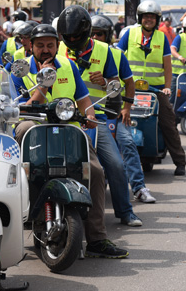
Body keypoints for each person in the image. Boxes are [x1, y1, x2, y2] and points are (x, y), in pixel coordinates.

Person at [12, 24, 129, 258]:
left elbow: (84, 99)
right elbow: (19, 106)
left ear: (57, 46)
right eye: (40, 45)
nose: (46, 50)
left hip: (68, 127)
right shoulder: (18, 69)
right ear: (31, 47)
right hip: (35, 127)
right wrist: (44, 83)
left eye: (50, 45)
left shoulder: (69, 65)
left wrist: (90, 117)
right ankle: (13, 226)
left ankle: (97, 238)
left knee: (96, 171)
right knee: (21, 136)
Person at [57, 6, 142, 227]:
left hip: (96, 117)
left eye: (76, 36)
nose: (72, 39)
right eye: (68, 37)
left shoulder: (104, 51)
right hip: (61, 117)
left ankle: (125, 212)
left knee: (115, 164)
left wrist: (103, 82)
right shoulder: (56, 50)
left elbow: (117, 86)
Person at [118, 0, 186, 176]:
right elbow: (117, 57)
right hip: (129, 88)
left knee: (168, 122)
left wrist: (166, 87)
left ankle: (180, 162)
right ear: (140, 18)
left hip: (155, 90)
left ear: (157, 20)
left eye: (152, 17)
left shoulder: (161, 37)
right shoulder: (130, 34)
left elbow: (167, 65)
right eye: (146, 16)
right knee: (115, 119)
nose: (148, 20)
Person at [91, 14, 156, 204]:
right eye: (92, 34)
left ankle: (139, 187)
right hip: (83, 114)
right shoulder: (77, 54)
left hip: (111, 113)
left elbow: (129, 83)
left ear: (108, 35)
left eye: (100, 35)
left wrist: (126, 108)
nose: (95, 39)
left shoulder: (117, 55)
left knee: (127, 142)